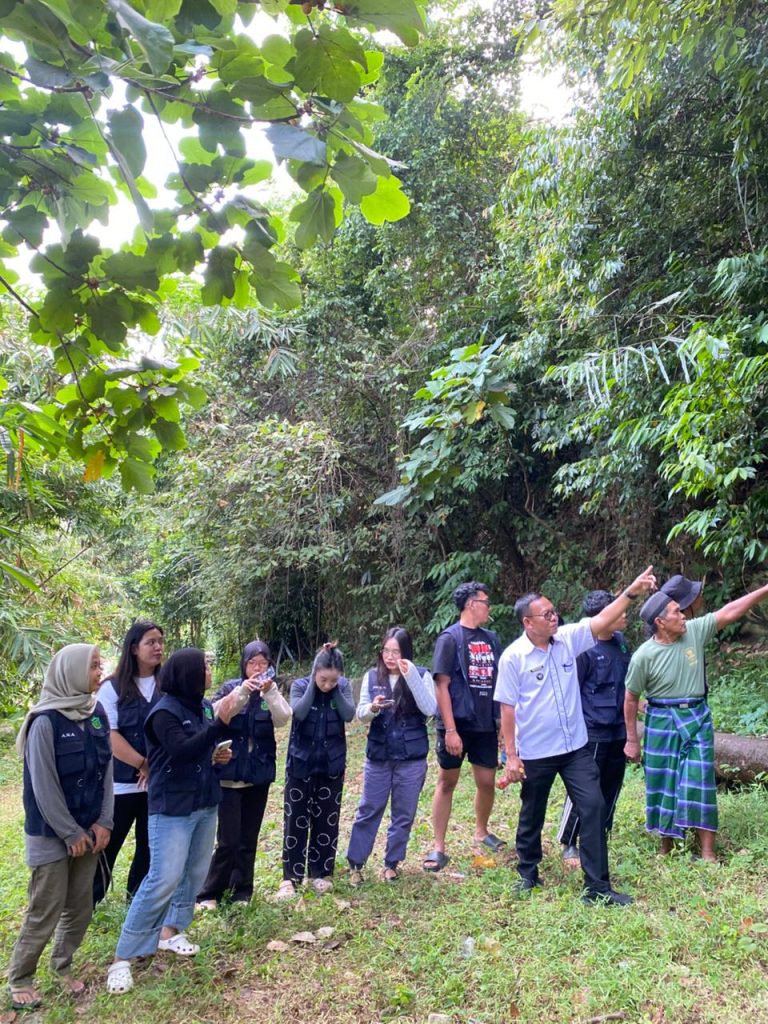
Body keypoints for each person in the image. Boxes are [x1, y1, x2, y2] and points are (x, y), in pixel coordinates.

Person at [495, 566, 657, 906]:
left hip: (574, 749)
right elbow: (507, 709)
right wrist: (511, 755)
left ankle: (597, 887)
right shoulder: (513, 658)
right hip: (536, 751)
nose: (554, 617)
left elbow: (603, 619)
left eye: (554, 611)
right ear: (528, 622)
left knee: (594, 807)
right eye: (546, 614)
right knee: (532, 812)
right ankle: (528, 873)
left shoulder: (568, 639)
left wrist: (632, 591)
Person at [106, 648, 234, 995]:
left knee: (194, 872)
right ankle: (122, 957)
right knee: (162, 878)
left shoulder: (202, 706)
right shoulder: (163, 712)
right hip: (173, 807)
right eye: (204, 667)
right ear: (188, 674)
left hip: (204, 800)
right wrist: (220, 724)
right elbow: (181, 751)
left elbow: (199, 751)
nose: (209, 671)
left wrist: (217, 755)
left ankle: (170, 931)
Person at [624, 579, 768, 862]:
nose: (683, 616)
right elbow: (630, 698)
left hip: (697, 717)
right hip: (661, 721)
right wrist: (631, 739)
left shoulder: (695, 631)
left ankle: (708, 853)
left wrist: (764, 590)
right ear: (660, 622)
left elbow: (730, 611)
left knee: (700, 779)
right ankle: (666, 846)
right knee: (663, 780)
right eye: (676, 612)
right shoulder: (644, 656)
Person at [9, 644, 113, 1010]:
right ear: (70, 672)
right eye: (93, 666)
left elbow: (106, 772)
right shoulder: (44, 721)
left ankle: (62, 965)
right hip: (51, 834)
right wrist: (69, 832)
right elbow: (44, 785)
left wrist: (104, 821)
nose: (99, 672)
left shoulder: (96, 713)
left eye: (99, 665)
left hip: (90, 829)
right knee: (46, 907)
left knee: (80, 906)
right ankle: (20, 977)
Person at [197, 640, 291, 908]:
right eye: (252, 663)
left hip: (258, 774)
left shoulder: (270, 691)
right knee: (228, 840)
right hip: (229, 774)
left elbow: (284, 718)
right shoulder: (230, 688)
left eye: (263, 663)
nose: (257, 669)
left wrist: (270, 693)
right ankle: (209, 893)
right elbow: (216, 714)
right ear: (244, 664)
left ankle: (242, 891)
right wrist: (242, 693)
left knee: (249, 838)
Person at [423, 582, 503, 872]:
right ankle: (438, 847)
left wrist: (501, 725)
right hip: (457, 724)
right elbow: (441, 686)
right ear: (471, 604)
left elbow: (500, 682)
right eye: (485, 602)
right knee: (447, 782)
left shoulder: (491, 638)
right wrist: (451, 730)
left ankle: (481, 831)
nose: (489, 607)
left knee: (487, 781)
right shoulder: (450, 638)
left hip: (485, 724)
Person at [346, 627, 437, 884]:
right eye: (386, 651)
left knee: (403, 813)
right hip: (379, 755)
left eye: (395, 652)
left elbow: (430, 708)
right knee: (369, 808)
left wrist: (411, 676)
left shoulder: (421, 674)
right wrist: (373, 708)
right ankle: (356, 864)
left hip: (411, 757)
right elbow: (361, 713)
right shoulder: (372, 676)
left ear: (406, 652)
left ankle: (391, 863)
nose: (390, 657)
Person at [275, 643, 355, 899]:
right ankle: (291, 877)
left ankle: (320, 873)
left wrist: (336, 689)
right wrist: (313, 682)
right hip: (300, 764)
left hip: (332, 764)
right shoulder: (300, 686)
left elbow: (349, 714)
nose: (328, 685)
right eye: (323, 679)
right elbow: (298, 713)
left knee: (327, 822)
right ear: (314, 672)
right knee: (295, 822)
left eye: (333, 680)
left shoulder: (342, 688)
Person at [557, 591, 631, 868]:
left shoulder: (621, 643)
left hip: (618, 728)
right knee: (585, 788)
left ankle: (600, 835)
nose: (624, 614)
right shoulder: (583, 649)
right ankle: (569, 841)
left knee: (612, 785)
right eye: (617, 610)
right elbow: (571, 691)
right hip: (591, 730)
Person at [93, 620, 164, 905]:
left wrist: (155, 768)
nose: (158, 647)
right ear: (134, 648)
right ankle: (87, 903)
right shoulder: (112, 687)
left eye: (160, 641)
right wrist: (142, 764)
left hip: (157, 785)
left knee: (149, 849)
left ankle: (137, 903)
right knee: (107, 848)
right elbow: (109, 735)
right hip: (121, 785)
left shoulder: (167, 684)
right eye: (150, 642)